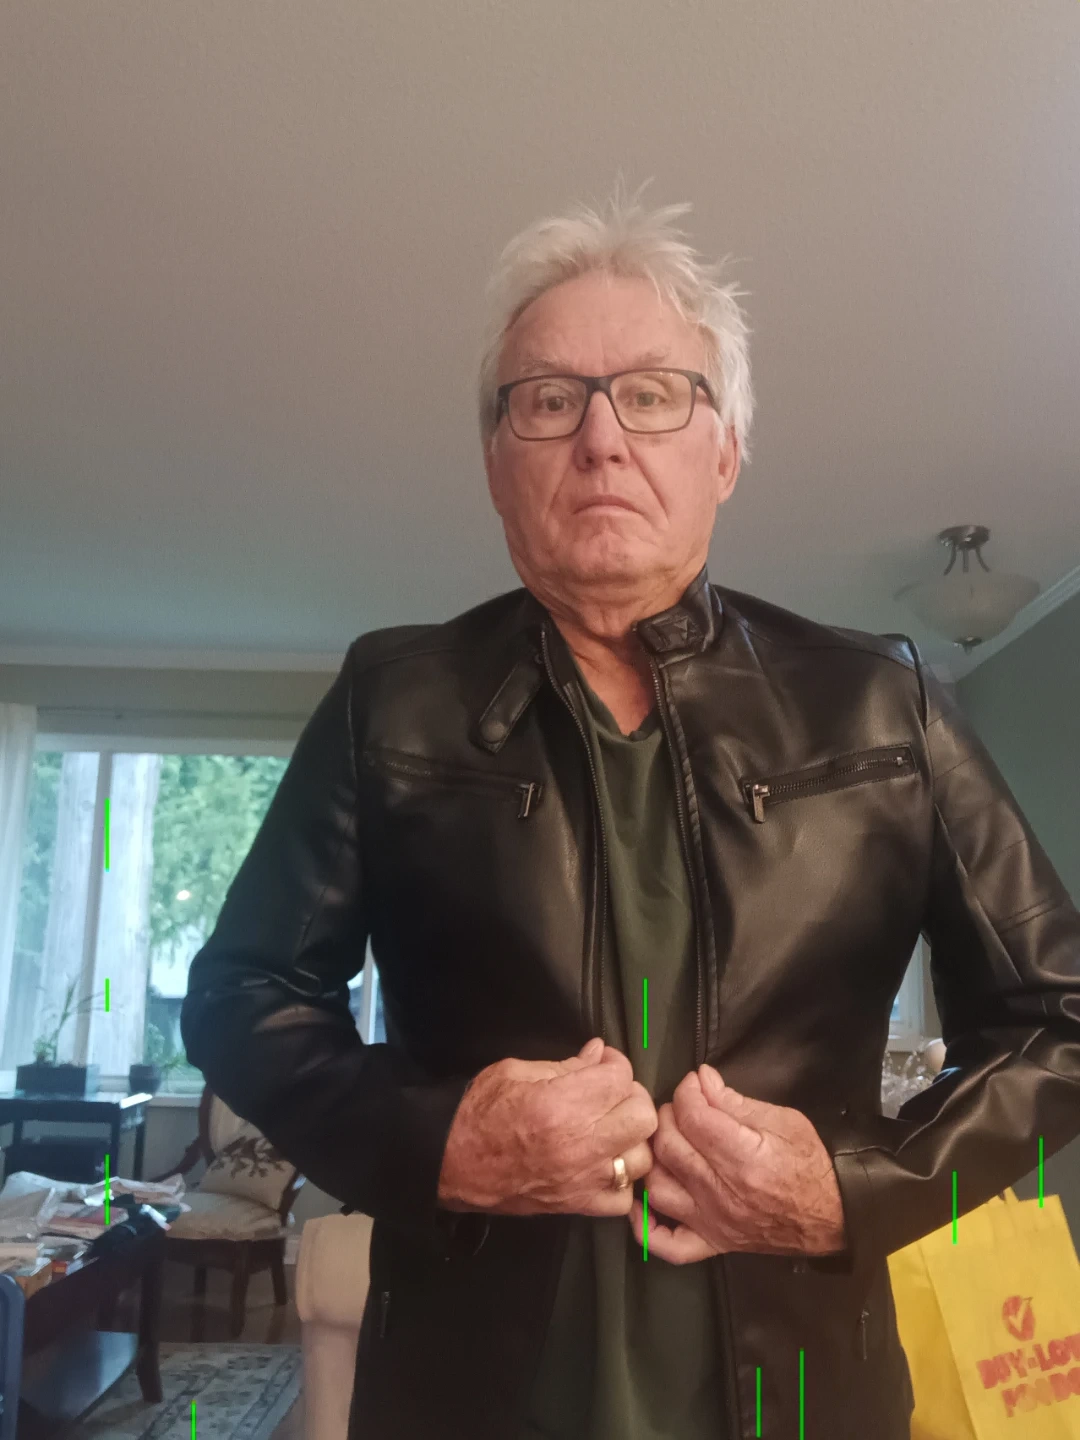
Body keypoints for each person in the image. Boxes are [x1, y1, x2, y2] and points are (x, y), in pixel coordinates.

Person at [181, 183, 1080, 1440]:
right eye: (551, 400)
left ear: (725, 452)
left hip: (809, 1395)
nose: (601, 438)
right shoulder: (392, 701)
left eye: (653, 394)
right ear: (497, 463)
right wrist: (441, 1144)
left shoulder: (891, 702)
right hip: (464, 1395)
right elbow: (242, 998)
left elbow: (1060, 1022)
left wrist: (855, 1189)